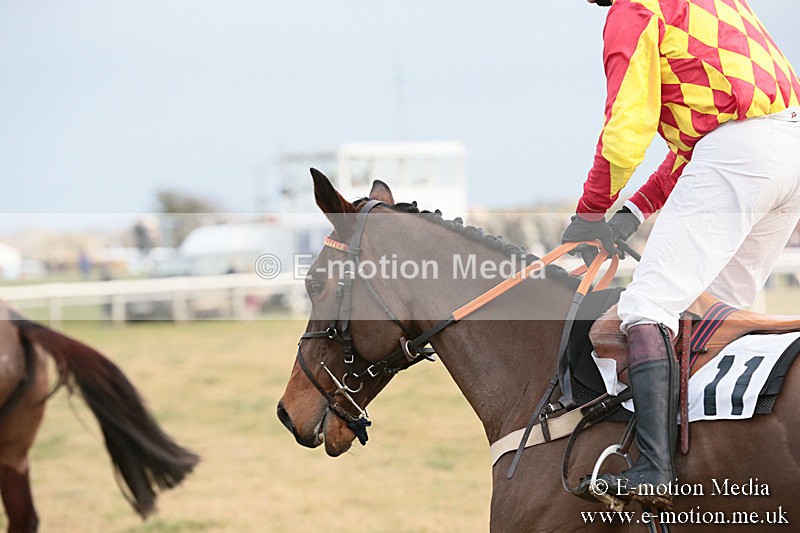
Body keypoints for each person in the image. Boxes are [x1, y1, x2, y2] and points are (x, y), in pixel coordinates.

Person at [561, 0, 800, 509]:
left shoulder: (632, 12)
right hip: (788, 151)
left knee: (647, 309)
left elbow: (626, 133)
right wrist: (630, 213)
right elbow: (699, 141)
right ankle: (723, 461)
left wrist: (589, 214)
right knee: (715, 312)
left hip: (743, 156)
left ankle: (655, 469)